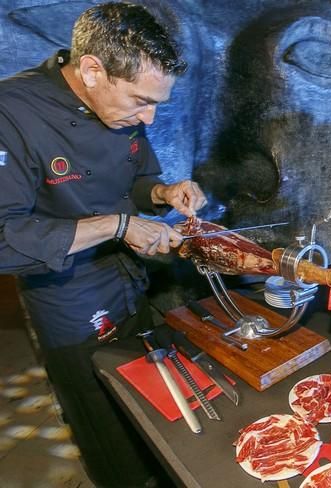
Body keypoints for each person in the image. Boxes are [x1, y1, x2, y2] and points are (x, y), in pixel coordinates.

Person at [0, 3, 207, 487]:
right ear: (93, 70)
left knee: (151, 414)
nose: (149, 118)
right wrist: (117, 225)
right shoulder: (11, 113)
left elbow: (137, 178)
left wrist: (161, 193)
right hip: (70, 300)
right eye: (140, 101)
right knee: (108, 431)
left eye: (157, 103)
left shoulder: (121, 108)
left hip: (130, 280)